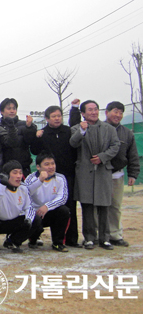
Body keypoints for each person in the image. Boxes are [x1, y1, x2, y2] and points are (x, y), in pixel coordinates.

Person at [69, 100, 120, 250]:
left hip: (103, 171)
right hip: (85, 172)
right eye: (89, 110)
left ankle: (105, 238)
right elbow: (72, 143)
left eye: (95, 109)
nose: (93, 112)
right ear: (83, 113)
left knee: (104, 206)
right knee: (87, 206)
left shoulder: (109, 129)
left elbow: (115, 145)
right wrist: (82, 132)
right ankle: (89, 238)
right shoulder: (77, 128)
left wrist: (103, 157)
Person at [30, 105, 79, 247]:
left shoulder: (68, 131)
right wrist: (37, 137)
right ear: (47, 119)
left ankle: (70, 239)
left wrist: (75, 109)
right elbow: (34, 150)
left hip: (67, 175)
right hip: (46, 177)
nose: (57, 118)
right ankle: (35, 236)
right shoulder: (43, 133)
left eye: (59, 116)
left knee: (69, 207)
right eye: (54, 116)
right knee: (41, 203)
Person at [104, 101, 139, 247]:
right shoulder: (98, 128)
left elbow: (133, 155)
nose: (118, 115)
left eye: (120, 112)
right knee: (98, 207)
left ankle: (115, 235)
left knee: (115, 206)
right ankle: (100, 235)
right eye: (115, 111)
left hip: (117, 175)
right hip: (100, 174)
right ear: (107, 112)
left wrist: (133, 174)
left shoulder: (127, 133)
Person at [0, 160, 36, 255]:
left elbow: (29, 207)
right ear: (6, 174)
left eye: (20, 173)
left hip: (13, 221)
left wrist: (28, 220)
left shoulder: (24, 187)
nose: (19, 176)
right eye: (15, 173)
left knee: (35, 219)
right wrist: (2, 186)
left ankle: (12, 241)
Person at [25, 152, 70, 252]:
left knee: (64, 211)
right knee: (34, 220)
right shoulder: (30, 178)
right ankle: (33, 239)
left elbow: (62, 198)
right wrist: (40, 180)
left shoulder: (60, 178)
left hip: (50, 211)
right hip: (35, 213)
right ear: (38, 167)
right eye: (47, 164)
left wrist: (47, 206)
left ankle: (58, 243)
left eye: (52, 163)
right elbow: (26, 194)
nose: (51, 167)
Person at [0, 98, 36, 177]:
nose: (12, 111)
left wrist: (30, 127)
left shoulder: (24, 124)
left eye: (14, 108)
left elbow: (30, 141)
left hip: (23, 168)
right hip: (5, 168)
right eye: (9, 108)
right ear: (2, 111)